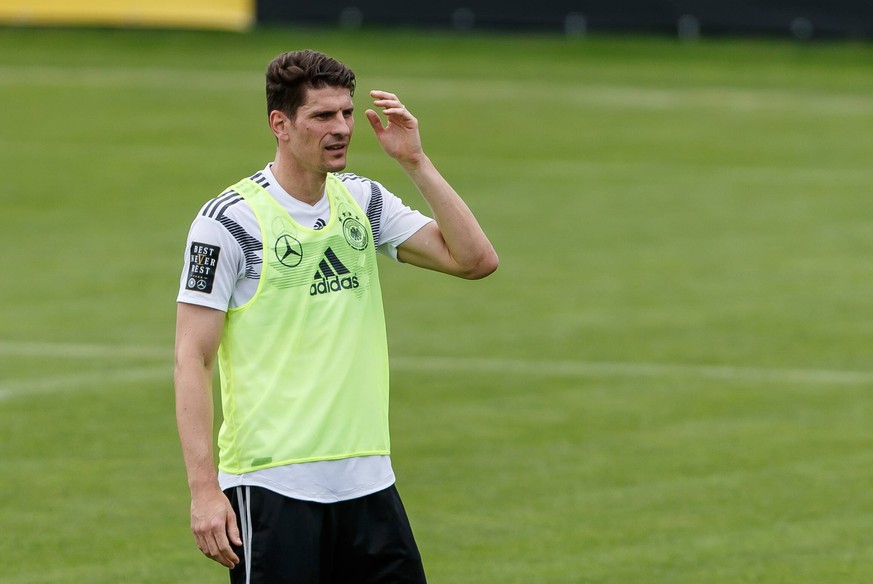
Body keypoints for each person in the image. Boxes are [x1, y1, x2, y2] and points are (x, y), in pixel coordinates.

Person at [173, 49, 498, 584]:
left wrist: (415, 161)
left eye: (346, 113)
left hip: (367, 480)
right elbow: (192, 357)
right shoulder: (229, 223)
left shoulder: (362, 201)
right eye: (323, 116)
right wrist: (205, 491)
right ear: (280, 124)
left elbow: (476, 260)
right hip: (273, 486)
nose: (342, 127)